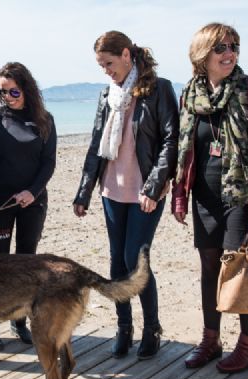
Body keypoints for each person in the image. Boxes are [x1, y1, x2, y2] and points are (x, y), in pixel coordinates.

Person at [171, 23, 248, 373]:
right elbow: (184, 149)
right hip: (204, 194)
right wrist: (179, 194)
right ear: (202, 55)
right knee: (209, 268)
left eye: (233, 45)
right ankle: (210, 338)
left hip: (243, 193)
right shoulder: (190, 93)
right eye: (220, 47)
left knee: (240, 268)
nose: (229, 52)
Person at [73, 31, 179, 360]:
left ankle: (152, 329)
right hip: (112, 191)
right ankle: (124, 328)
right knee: (117, 262)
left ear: (126, 55)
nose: (105, 70)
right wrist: (83, 192)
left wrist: (153, 187)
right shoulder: (108, 94)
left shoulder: (159, 89)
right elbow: (96, 146)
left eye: (108, 63)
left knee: (136, 260)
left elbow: (170, 141)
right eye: (100, 66)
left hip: (146, 190)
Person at [0, 62, 57, 351]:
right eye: (2, 92)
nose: (8, 97)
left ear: (26, 88)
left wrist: (32, 192)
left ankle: (20, 321)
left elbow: (49, 163)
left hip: (32, 203)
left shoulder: (44, 120)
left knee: (25, 263)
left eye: (13, 91)